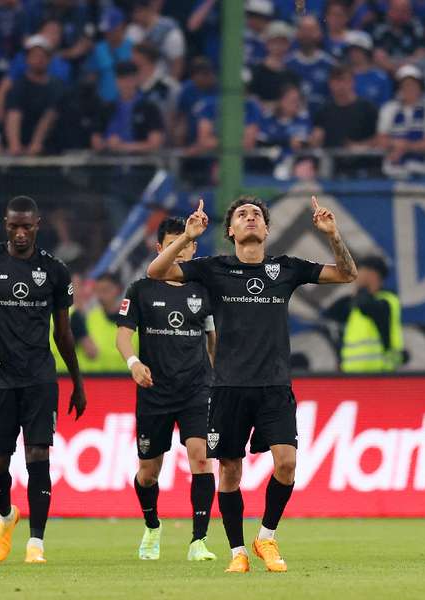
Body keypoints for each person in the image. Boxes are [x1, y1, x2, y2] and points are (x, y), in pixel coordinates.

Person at [147, 195, 357, 573]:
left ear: (266, 230)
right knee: (229, 470)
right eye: (241, 215)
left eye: (256, 215)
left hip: (274, 386)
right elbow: (156, 273)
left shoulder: (286, 268)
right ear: (230, 231)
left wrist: (333, 234)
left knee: (288, 463)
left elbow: (347, 274)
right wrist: (186, 237)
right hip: (228, 387)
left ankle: (266, 537)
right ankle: (237, 552)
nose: (249, 219)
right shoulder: (213, 269)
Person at [0, 195, 86, 565]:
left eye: (27, 226)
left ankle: (36, 544)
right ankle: (5, 514)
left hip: (39, 379)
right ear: (5, 224)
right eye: (14, 226)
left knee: (38, 456)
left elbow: (63, 333)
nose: (21, 232)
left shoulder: (56, 270)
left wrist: (77, 381)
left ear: (38, 225)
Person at [115, 216, 218, 562]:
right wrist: (134, 363)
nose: (180, 250)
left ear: (194, 248)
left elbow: (212, 338)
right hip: (155, 392)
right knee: (148, 472)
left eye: (187, 243)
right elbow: (123, 335)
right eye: (174, 243)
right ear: (160, 249)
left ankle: (198, 541)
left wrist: (215, 376)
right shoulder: (142, 289)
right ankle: (152, 525)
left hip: (195, 390)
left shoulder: (203, 290)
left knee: (201, 459)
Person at [323, 255, 403, 372]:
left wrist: (360, 290)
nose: (355, 275)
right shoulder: (357, 302)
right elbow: (331, 313)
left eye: (359, 271)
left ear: (372, 274)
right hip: (353, 373)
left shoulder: (387, 301)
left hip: (380, 372)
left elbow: (368, 307)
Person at [376, 65, 425, 178]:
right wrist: (396, 144)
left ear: (420, 86)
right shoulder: (389, 108)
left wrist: (406, 146)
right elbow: (380, 140)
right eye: (404, 85)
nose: (409, 89)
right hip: (393, 172)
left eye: (413, 85)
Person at [4, 34, 64, 156]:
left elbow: (50, 116)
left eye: (43, 56)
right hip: (21, 148)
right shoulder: (19, 86)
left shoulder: (56, 86)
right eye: (35, 55)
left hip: (49, 149)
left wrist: (36, 143)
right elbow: (14, 114)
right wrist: (14, 144)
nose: (39, 59)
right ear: (27, 58)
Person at [91, 61, 164, 154]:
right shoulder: (106, 108)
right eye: (122, 79)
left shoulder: (149, 107)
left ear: (137, 79)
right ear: (116, 81)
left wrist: (122, 146)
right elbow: (96, 141)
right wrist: (108, 144)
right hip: (110, 163)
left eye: (130, 79)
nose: (126, 84)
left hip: (142, 164)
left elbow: (155, 143)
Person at [286, 15, 335, 113]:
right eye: (303, 29)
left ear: (319, 33)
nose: (307, 34)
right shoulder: (287, 64)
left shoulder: (330, 64)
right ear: (297, 33)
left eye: (311, 30)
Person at [127, 0, 186, 81]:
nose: (134, 16)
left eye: (137, 12)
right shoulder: (132, 30)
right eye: (133, 12)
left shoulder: (170, 30)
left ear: (147, 10)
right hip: (139, 84)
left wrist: (172, 85)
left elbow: (177, 63)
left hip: (162, 82)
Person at [84, 6, 132, 103]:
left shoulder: (132, 48)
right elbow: (91, 76)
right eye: (106, 30)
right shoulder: (98, 49)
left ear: (121, 26)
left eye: (111, 29)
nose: (107, 33)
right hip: (104, 104)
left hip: (125, 103)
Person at [248, 21, 300, 107]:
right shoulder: (255, 72)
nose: (278, 46)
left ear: (288, 45)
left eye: (283, 42)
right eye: (274, 42)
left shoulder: (292, 75)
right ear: (267, 44)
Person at [371, 0, 425, 76]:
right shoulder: (380, 29)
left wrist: (404, 68)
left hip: (411, 72)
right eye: (397, 10)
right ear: (389, 11)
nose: (400, 14)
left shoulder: (416, 27)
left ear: (410, 12)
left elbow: (421, 54)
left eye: (404, 10)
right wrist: (394, 69)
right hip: (387, 72)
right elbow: (378, 57)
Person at [343, 31, 392, 108]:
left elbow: (385, 106)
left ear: (366, 52)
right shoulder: (343, 76)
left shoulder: (381, 78)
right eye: (351, 50)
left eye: (358, 50)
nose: (354, 53)